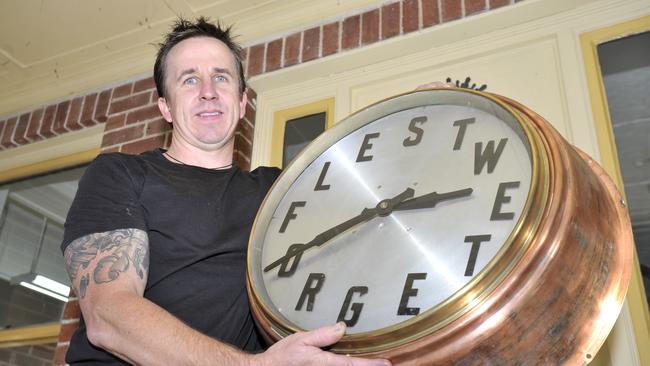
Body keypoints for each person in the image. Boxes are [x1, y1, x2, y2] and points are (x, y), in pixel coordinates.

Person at [61, 17, 391, 366]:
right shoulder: (121, 174)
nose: (208, 90)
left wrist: (416, 118)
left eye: (221, 76)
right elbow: (108, 316)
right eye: (189, 79)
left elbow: (375, 202)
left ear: (242, 101)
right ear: (166, 108)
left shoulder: (279, 191)